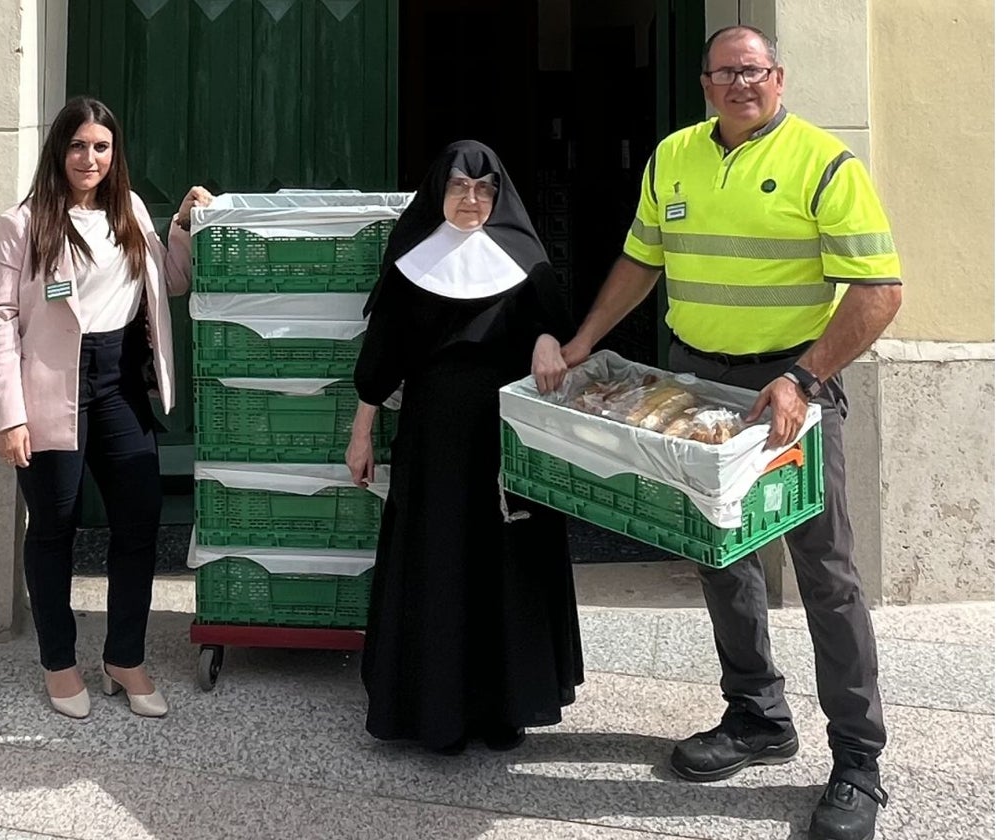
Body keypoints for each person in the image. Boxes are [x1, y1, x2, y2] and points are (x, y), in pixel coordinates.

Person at [539, 26, 902, 840]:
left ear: (779, 77)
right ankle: (757, 718)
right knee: (717, 551)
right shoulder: (673, 156)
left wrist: (805, 378)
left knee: (826, 573)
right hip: (698, 385)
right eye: (727, 73)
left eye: (756, 71)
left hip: (790, 392)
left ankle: (858, 763)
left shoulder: (826, 163)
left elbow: (879, 290)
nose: (743, 84)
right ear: (704, 84)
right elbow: (642, 260)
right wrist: (587, 338)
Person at [346, 140, 584, 755]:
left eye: (484, 189)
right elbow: (383, 357)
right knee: (439, 563)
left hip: (508, 436)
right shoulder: (411, 261)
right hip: (434, 439)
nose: (472, 200)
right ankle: (438, 714)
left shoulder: (525, 260)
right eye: (458, 186)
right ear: (438, 193)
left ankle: (507, 707)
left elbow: (556, 327)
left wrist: (546, 338)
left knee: (507, 565)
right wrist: (362, 431)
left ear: (498, 196)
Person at [0, 96, 212, 719]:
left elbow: (170, 282)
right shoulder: (21, 223)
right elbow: (1, 319)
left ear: (115, 155)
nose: (90, 158)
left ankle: (124, 658)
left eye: (102, 147)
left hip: (119, 385)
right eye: (79, 145)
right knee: (54, 526)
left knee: (138, 520)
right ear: (59, 149)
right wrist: (9, 414)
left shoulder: (130, 211)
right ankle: (59, 661)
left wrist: (184, 226)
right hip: (51, 387)